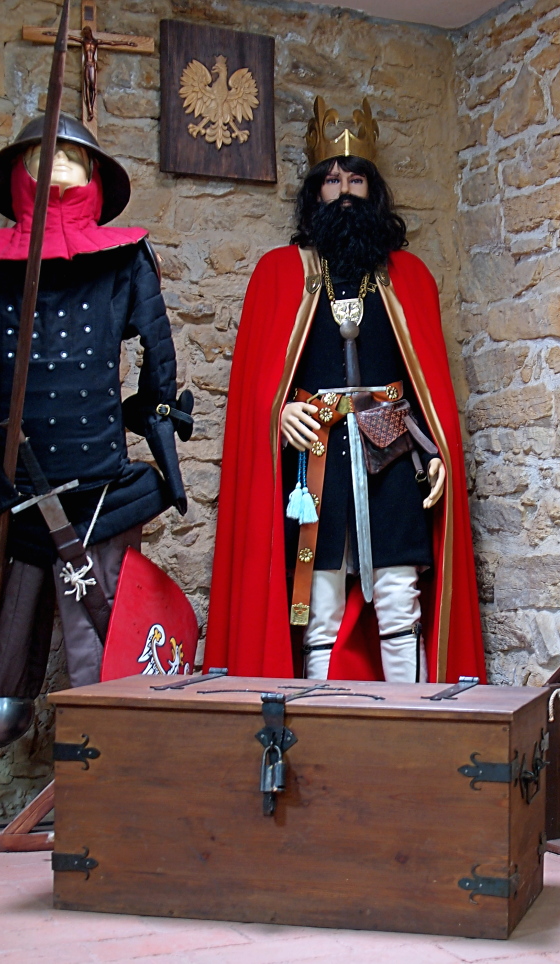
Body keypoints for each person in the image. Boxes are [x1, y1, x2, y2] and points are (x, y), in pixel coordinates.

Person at [205, 96, 484, 684]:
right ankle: (318, 725)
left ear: (372, 190)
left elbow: (426, 386)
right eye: (333, 181)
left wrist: (436, 451)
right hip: (317, 458)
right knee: (320, 605)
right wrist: (278, 414)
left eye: (356, 180)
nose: (345, 192)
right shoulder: (279, 274)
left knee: (400, 599)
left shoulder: (408, 277)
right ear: (315, 193)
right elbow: (261, 386)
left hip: (394, 452)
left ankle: (410, 724)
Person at [0, 113, 190, 712]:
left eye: (71, 157)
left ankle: (103, 748)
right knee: (5, 667)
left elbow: (159, 358)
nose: (56, 163)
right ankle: (4, 716)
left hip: (103, 484)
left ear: (94, 175)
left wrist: (154, 419)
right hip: (18, 484)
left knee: (102, 654)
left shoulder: (127, 256)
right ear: (18, 174)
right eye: (42, 156)